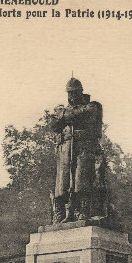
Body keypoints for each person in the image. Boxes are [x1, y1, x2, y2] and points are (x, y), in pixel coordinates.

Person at [50, 77, 107, 223]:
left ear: (81, 92)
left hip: (84, 147)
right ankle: (62, 214)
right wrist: (64, 116)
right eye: (69, 93)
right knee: (63, 183)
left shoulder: (93, 106)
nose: (71, 96)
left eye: (74, 93)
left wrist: (63, 114)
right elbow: (54, 125)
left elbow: (79, 114)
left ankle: (83, 211)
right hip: (66, 148)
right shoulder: (67, 109)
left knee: (81, 180)